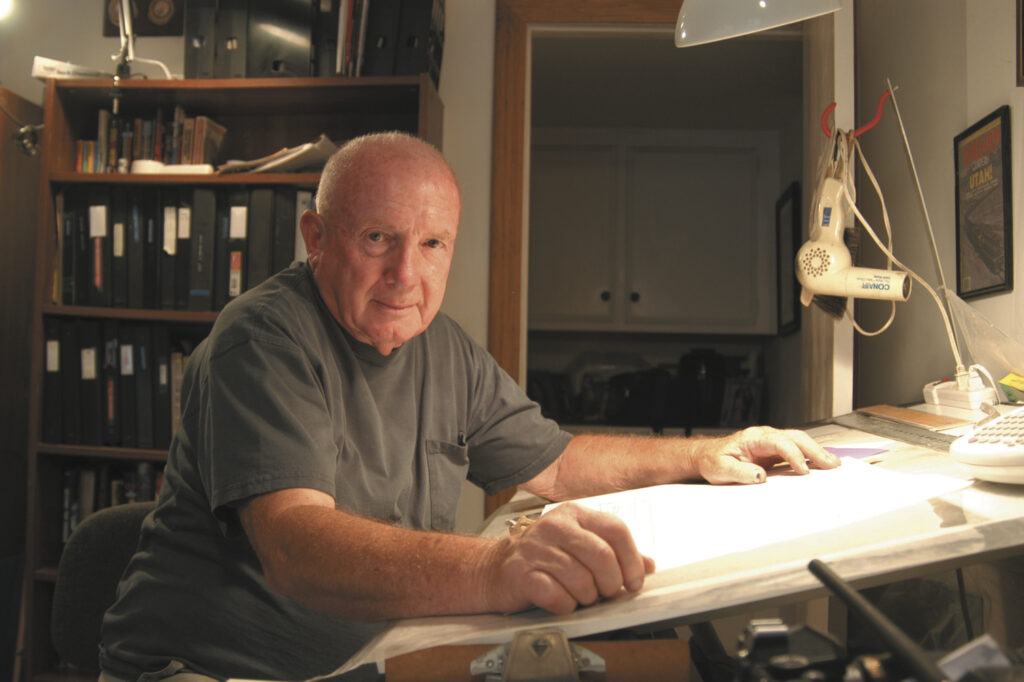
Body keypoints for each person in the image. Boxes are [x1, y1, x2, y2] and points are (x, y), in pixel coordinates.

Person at [99, 132, 838, 682]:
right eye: (378, 238)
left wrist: (703, 451)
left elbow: (557, 462)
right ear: (316, 239)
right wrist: (500, 567)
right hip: (199, 670)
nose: (405, 276)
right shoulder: (261, 338)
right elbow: (294, 547)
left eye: (432, 244)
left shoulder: (443, 348)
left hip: (365, 662)